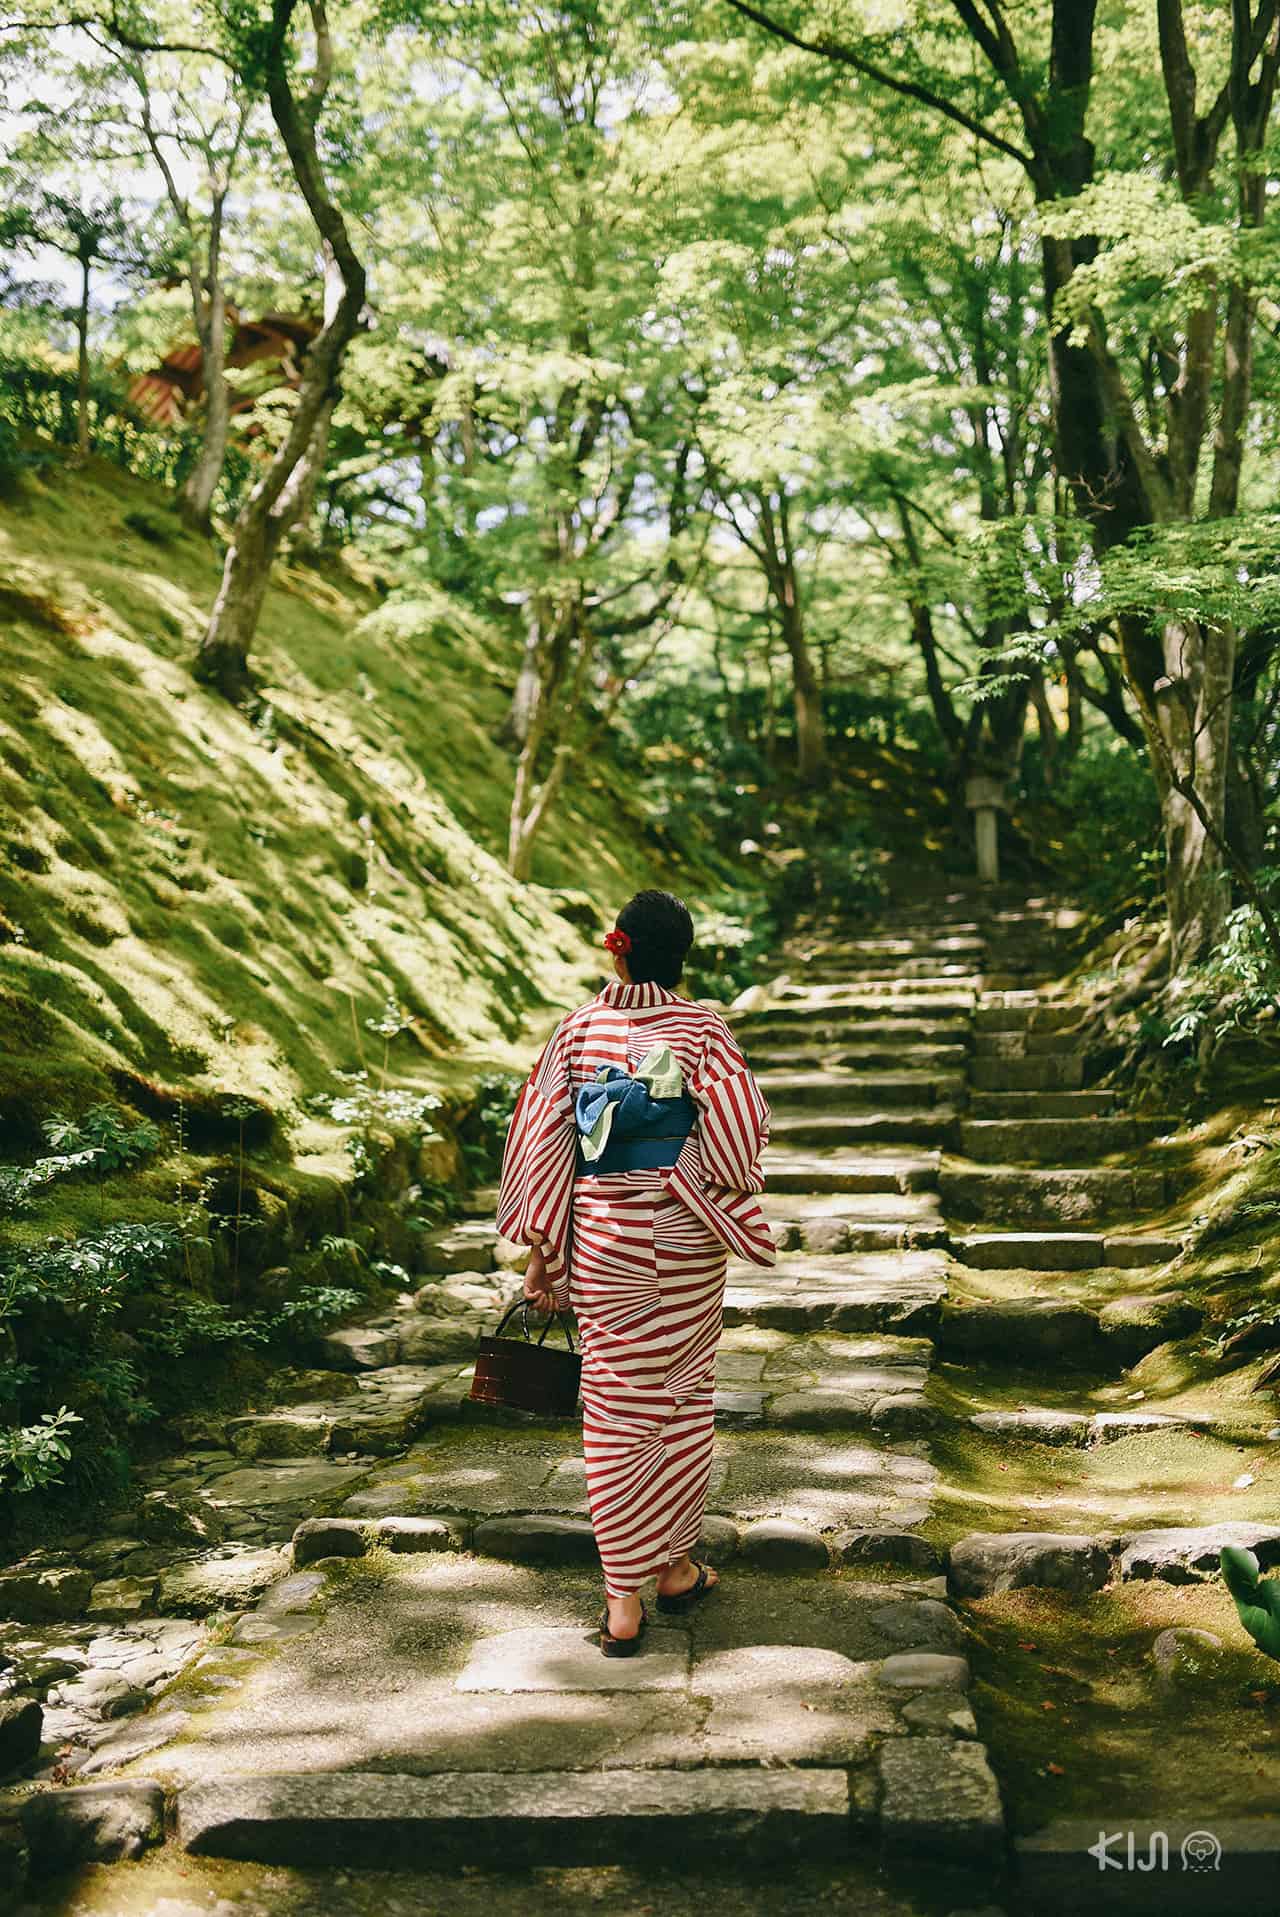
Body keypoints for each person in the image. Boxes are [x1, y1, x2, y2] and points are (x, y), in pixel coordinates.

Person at [496, 889, 775, 1655]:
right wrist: (684, 1169)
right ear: (680, 958)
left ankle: (624, 1599)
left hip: (606, 1237)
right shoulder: (705, 1029)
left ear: (618, 949)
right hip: (683, 1240)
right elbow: (740, 1135)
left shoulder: (578, 1029)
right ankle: (675, 1567)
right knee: (683, 1397)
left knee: (616, 1408)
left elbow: (544, 1141)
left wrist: (542, 1249)